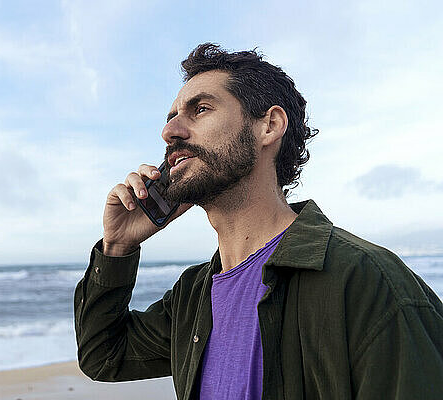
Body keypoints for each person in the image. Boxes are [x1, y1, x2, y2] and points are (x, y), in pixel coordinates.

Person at [74, 43, 443, 400]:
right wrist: (118, 246)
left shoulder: (365, 280)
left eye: (200, 109)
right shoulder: (194, 296)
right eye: (171, 119)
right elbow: (104, 356)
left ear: (269, 125)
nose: (170, 132)